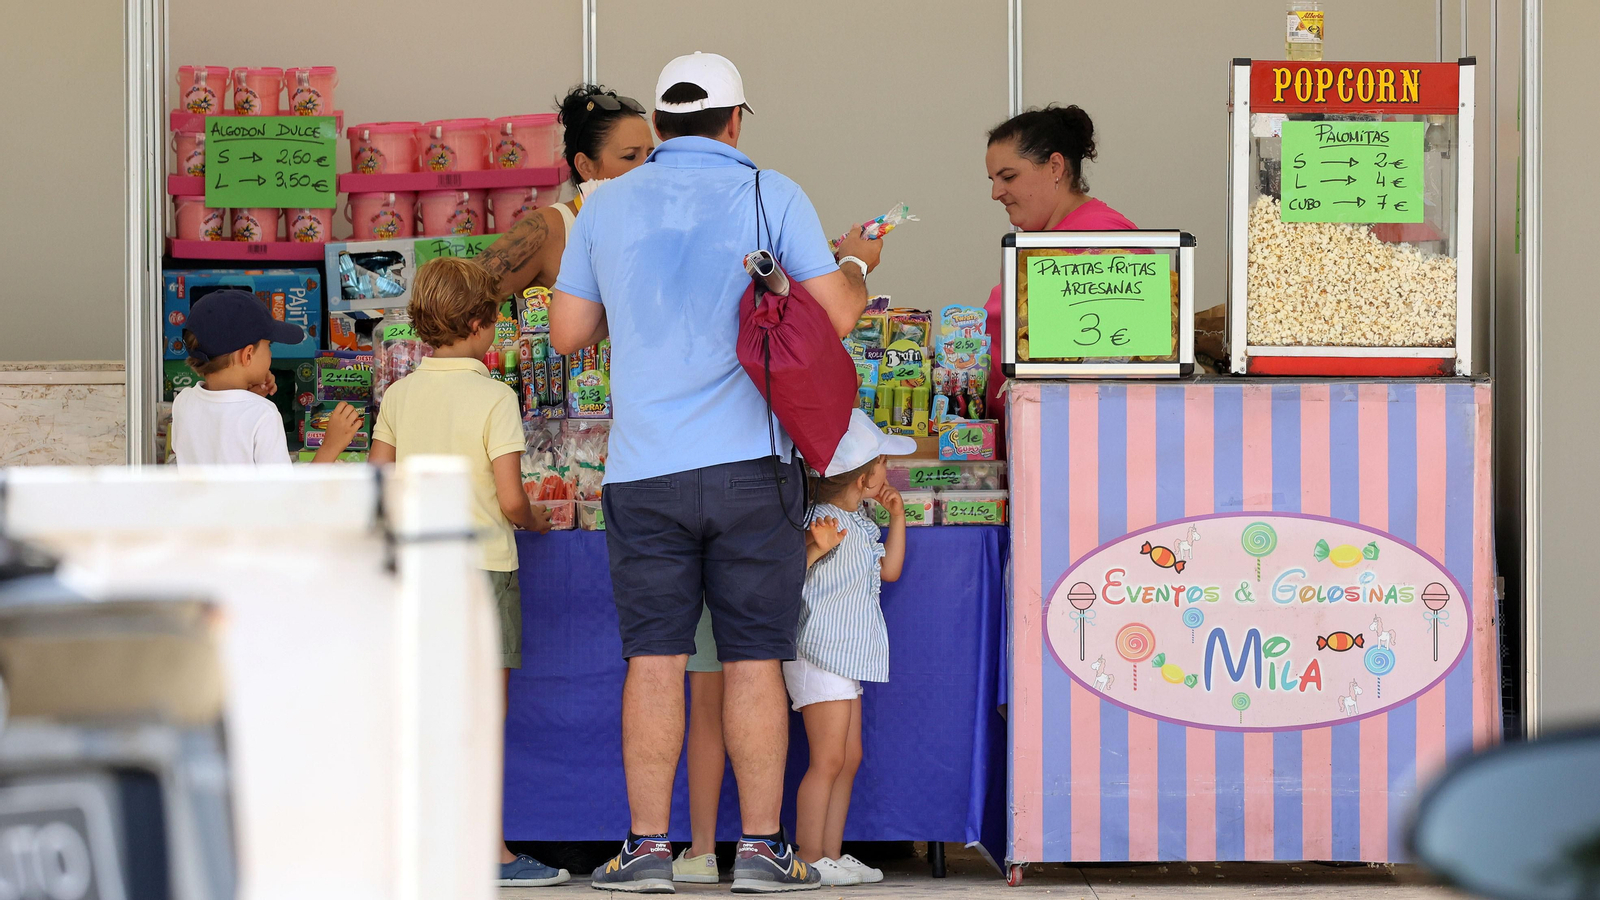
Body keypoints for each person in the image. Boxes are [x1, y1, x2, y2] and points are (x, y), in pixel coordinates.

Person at [549, 51, 887, 893]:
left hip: (645, 470)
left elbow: (565, 333)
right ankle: (767, 851)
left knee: (655, 661)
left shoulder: (605, 203)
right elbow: (838, 315)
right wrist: (856, 263)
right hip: (751, 470)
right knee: (753, 660)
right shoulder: (774, 193)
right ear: (737, 121)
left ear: (658, 128)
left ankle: (647, 850)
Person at [365, 257, 562, 887]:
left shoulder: (398, 394)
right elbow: (510, 498)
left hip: (417, 573)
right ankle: (490, 853)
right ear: (481, 324)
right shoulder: (494, 396)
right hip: (482, 571)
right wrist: (535, 521)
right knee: (481, 718)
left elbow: (379, 481)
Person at [787, 411, 913, 886]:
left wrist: (896, 517)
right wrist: (814, 548)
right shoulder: (818, 521)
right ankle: (810, 856)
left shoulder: (859, 519)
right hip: (820, 653)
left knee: (848, 756)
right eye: (883, 462)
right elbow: (782, 578)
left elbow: (890, 571)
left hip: (848, 656)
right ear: (864, 478)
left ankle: (831, 855)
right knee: (828, 759)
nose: (889, 470)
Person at [981, 105, 1137, 427]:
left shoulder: (1104, 240)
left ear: (1055, 166)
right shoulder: (1037, 242)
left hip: (1063, 444)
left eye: (1008, 177)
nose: (996, 193)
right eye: (993, 180)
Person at [475, 84, 655, 300]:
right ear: (585, 166)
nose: (647, 168)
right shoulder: (552, 227)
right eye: (630, 157)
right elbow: (455, 296)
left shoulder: (659, 222)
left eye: (651, 155)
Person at [171, 288, 360, 465]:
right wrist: (330, 447)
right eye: (269, 345)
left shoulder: (183, 402)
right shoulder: (263, 415)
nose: (270, 353)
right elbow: (285, 497)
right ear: (247, 356)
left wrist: (247, 395)